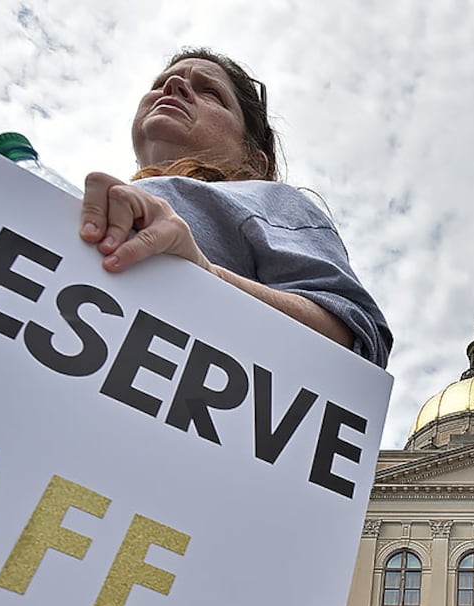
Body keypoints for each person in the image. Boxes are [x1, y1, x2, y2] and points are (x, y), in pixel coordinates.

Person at [79, 48, 393, 367]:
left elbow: (356, 340)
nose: (172, 84)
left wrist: (203, 274)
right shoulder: (108, 196)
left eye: (211, 92)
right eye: (160, 83)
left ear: (254, 159)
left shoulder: (268, 199)